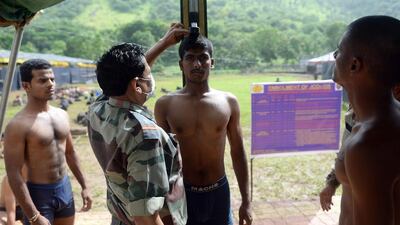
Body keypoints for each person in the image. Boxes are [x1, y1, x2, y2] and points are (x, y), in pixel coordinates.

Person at [87, 23, 189, 225]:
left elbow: (124, 77)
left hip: (120, 215)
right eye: (148, 74)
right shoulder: (144, 135)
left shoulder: (98, 109)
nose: (151, 78)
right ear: (136, 85)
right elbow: (146, 217)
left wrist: (163, 43)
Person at [154, 33, 252, 225]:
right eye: (190, 58)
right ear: (181, 64)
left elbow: (238, 152)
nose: (197, 64)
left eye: (202, 58)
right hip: (183, 193)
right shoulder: (165, 105)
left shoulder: (228, 102)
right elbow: (161, 160)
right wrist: (163, 208)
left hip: (219, 192)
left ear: (211, 62)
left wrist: (246, 201)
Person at [3, 59, 92, 225]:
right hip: (38, 194)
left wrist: (85, 186)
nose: (51, 84)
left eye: (52, 79)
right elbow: (13, 173)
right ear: (26, 86)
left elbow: (70, 153)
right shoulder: (18, 125)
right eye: (43, 80)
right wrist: (34, 215)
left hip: (63, 188)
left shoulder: (61, 115)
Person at [332, 15, 400, 225]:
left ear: (354, 65)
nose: (335, 55)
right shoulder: (385, 119)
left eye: (340, 50)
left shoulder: (369, 143)